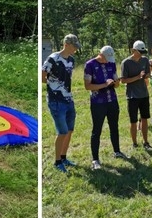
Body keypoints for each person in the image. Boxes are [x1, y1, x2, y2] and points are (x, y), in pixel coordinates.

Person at [84, 46, 128, 170]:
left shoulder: (111, 64)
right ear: (101, 55)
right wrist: (105, 84)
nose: (108, 60)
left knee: (114, 126)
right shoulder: (90, 65)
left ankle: (117, 151)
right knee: (96, 130)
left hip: (112, 100)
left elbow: (117, 84)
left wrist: (115, 82)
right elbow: (87, 86)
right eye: (106, 58)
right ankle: (95, 159)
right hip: (98, 102)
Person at [42, 34, 80, 173]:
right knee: (62, 131)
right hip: (56, 100)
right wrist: (54, 84)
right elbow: (42, 76)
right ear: (67, 44)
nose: (75, 49)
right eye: (74, 46)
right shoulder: (53, 58)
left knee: (70, 130)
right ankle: (57, 162)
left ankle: (64, 157)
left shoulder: (71, 60)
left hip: (69, 99)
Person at [122, 40, 152, 151]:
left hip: (144, 94)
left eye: (142, 51)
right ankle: (134, 143)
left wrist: (146, 76)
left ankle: (146, 141)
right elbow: (123, 80)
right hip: (132, 96)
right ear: (133, 50)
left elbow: (148, 74)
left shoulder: (145, 60)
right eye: (139, 52)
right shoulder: (126, 63)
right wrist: (137, 77)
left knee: (144, 119)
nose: (141, 54)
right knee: (133, 121)